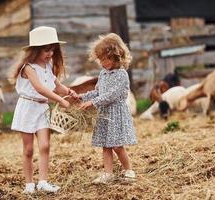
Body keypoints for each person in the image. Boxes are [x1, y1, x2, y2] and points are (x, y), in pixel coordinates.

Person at [9, 26, 77, 193]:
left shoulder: (48, 65)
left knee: (45, 145)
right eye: (46, 50)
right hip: (28, 108)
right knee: (29, 149)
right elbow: (40, 88)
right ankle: (29, 184)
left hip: (42, 109)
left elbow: (55, 85)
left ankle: (43, 182)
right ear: (35, 50)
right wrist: (60, 100)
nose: (50, 54)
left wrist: (69, 92)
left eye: (52, 50)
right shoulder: (28, 68)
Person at [79, 33, 137, 184]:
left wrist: (93, 103)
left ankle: (128, 169)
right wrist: (82, 97)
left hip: (116, 114)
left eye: (105, 59)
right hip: (104, 114)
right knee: (106, 146)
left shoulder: (121, 74)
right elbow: (98, 91)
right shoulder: (103, 74)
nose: (102, 62)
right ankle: (108, 173)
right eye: (100, 60)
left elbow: (111, 95)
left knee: (117, 145)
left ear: (116, 55)